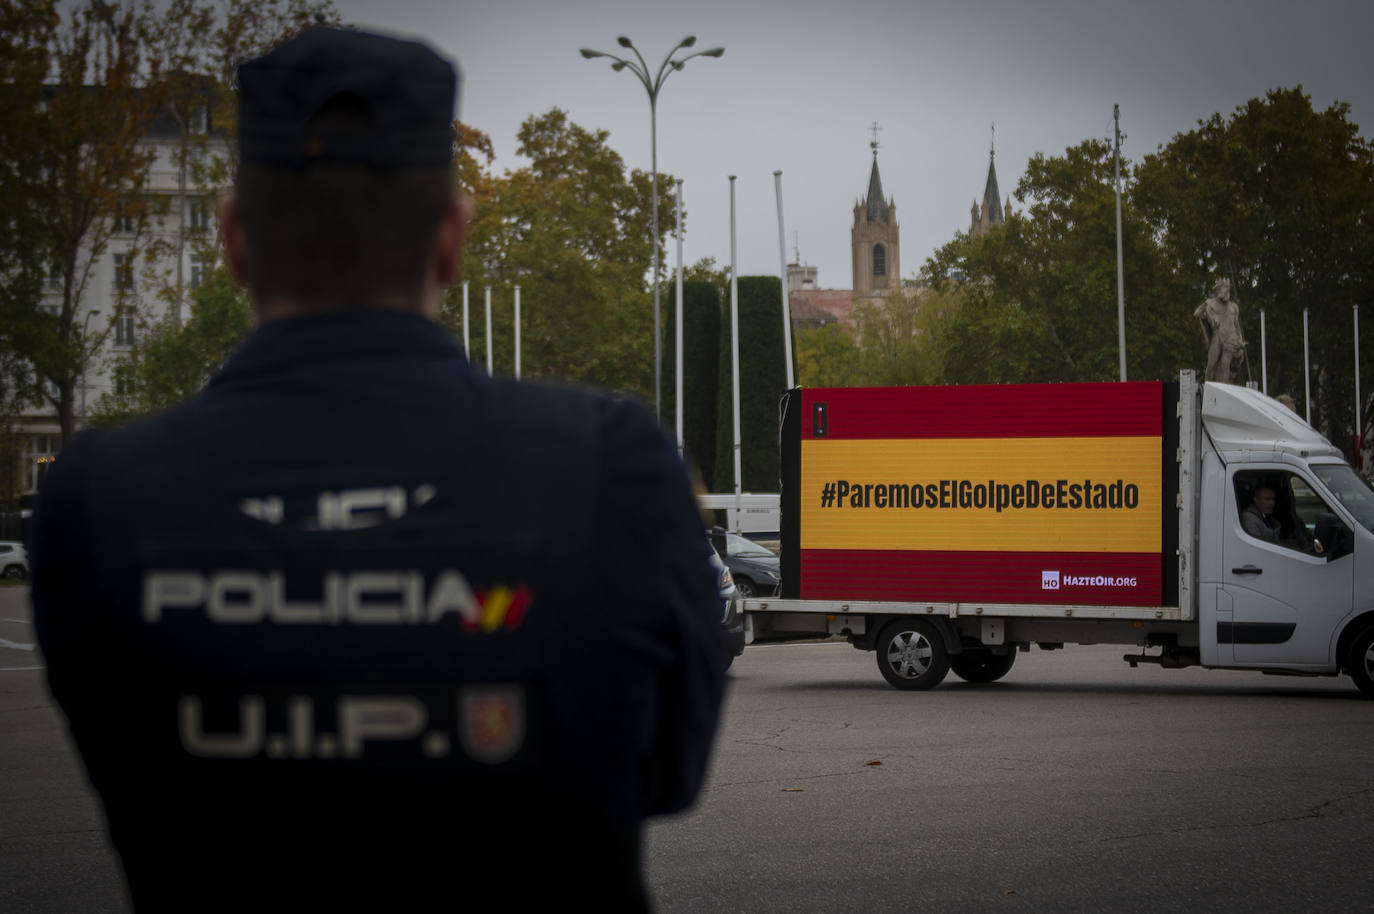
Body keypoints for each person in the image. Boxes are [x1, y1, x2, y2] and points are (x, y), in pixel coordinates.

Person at [29, 28, 726, 912]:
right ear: (451, 239)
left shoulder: (97, 501)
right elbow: (665, 772)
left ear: (235, 237)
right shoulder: (610, 465)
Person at [1240, 484, 1322, 554]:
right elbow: (1257, 549)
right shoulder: (1249, 519)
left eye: (1273, 499)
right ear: (1256, 500)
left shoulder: (1270, 519)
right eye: (1267, 499)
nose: (1271, 503)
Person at [1194, 277, 1246, 383]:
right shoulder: (1211, 304)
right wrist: (1205, 306)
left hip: (1231, 339)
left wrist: (1239, 339)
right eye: (1224, 289)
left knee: (1225, 364)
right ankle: (1208, 385)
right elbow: (1197, 313)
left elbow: (1237, 326)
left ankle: (1224, 388)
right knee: (1211, 364)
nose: (1227, 291)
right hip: (1217, 338)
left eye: (1227, 289)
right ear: (1218, 290)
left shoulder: (1233, 307)